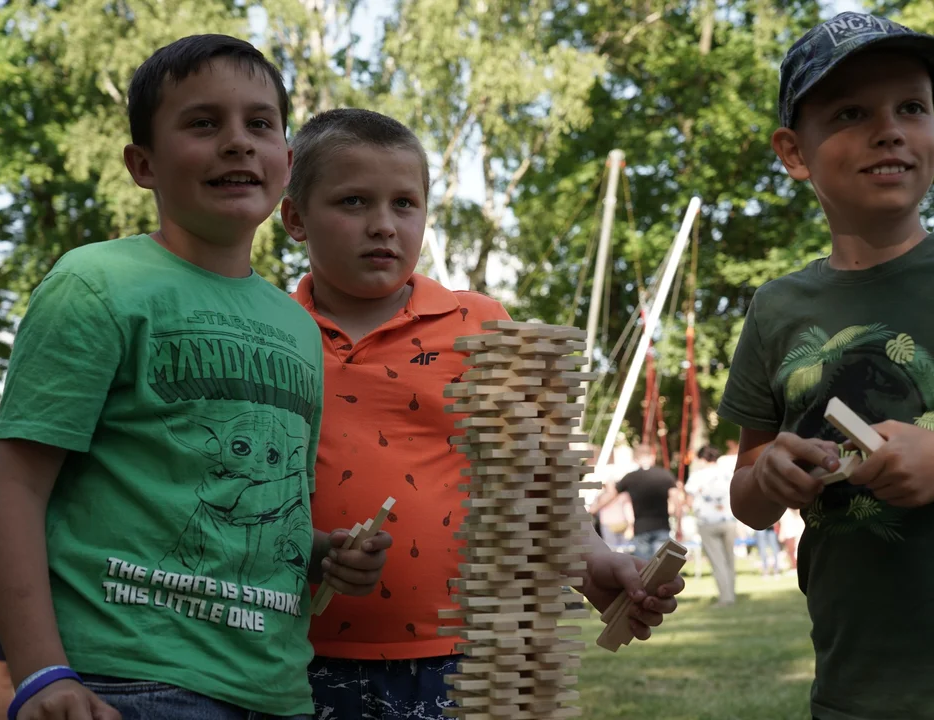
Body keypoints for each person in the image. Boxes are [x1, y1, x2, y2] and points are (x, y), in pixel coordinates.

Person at [0, 35, 390, 720]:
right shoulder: (97, 283)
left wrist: (322, 555)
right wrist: (42, 674)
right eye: (203, 123)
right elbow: (10, 487)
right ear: (143, 164)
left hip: (279, 692)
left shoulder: (295, 327)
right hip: (127, 683)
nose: (237, 143)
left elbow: (254, 502)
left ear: (286, 161)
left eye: (260, 124)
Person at [280, 108, 686, 720]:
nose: (384, 225)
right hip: (296, 657)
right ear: (294, 219)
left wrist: (596, 561)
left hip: (471, 659)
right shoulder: (266, 333)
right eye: (354, 202)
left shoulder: (483, 327)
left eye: (405, 204)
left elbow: (541, 488)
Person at [719, 11, 934, 720]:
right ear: (792, 152)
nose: (889, 128)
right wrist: (771, 468)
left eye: (911, 108)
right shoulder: (776, 309)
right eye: (850, 112)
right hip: (849, 691)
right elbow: (746, 497)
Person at [590, 444, 677, 561]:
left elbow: (611, 495)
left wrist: (594, 508)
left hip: (641, 528)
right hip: (662, 526)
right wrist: (679, 522)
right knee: (661, 565)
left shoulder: (631, 478)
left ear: (636, 459)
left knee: (643, 567)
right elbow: (677, 499)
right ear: (653, 457)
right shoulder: (665, 475)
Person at [685, 445, 737, 605]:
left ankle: (726, 597)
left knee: (717, 561)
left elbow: (689, 498)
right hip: (728, 519)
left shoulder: (697, 476)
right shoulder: (727, 473)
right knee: (730, 559)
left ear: (702, 459)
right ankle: (731, 593)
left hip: (707, 522)